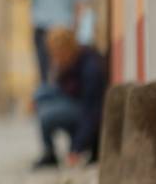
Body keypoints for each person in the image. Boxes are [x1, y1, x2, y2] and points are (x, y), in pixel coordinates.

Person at [32, 27, 106, 169]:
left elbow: (92, 111)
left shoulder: (90, 67)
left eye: (56, 53)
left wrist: (76, 148)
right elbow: (60, 89)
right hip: (75, 102)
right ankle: (49, 152)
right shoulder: (68, 64)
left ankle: (59, 151)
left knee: (47, 115)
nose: (54, 57)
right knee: (41, 95)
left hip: (86, 112)